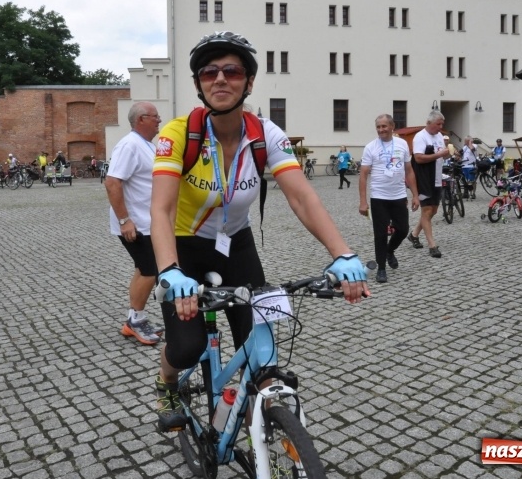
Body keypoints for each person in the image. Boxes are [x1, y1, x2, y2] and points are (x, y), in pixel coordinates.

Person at [150, 31, 369, 431]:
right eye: (209, 72)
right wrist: (168, 270)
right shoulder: (178, 134)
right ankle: (166, 386)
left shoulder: (265, 135)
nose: (220, 79)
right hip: (183, 248)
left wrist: (342, 253)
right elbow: (160, 210)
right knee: (187, 347)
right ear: (199, 83)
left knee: (262, 350)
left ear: (248, 82)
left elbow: (303, 198)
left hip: (236, 244)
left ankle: (262, 431)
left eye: (231, 71)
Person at [105, 101, 164, 346]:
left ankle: (135, 317)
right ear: (140, 119)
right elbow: (112, 182)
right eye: (155, 116)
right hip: (136, 224)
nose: (159, 120)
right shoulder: (129, 145)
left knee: (144, 269)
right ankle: (135, 322)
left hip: (147, 222)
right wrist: (125, 220)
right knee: (150, 270)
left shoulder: (145, 145)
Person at [358, 114, 419, 284]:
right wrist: (363, 201)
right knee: (380, 234)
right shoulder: (371, 147)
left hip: (398, 195)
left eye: (384, 126)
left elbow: (409, 170)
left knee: (403, 229)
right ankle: (382, 268)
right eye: (378, 127)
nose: (381, 130)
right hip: (379, 197)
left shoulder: (402, 144)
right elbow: (363, 175)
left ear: (392, 126)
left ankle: (390, 250)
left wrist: (415, 194)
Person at [408, 110, 449, 258]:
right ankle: (432, 245)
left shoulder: (438, 136)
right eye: (438, 124)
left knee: (433, 210)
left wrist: (446, 150)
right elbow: (418, 158)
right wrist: (439, 154)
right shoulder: (420, 137)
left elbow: (444, 155)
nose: (440, 127)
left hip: (437, 177)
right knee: (426, 211)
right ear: (429, 123)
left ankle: (414, 234)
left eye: (442, 124)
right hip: (423, 178)